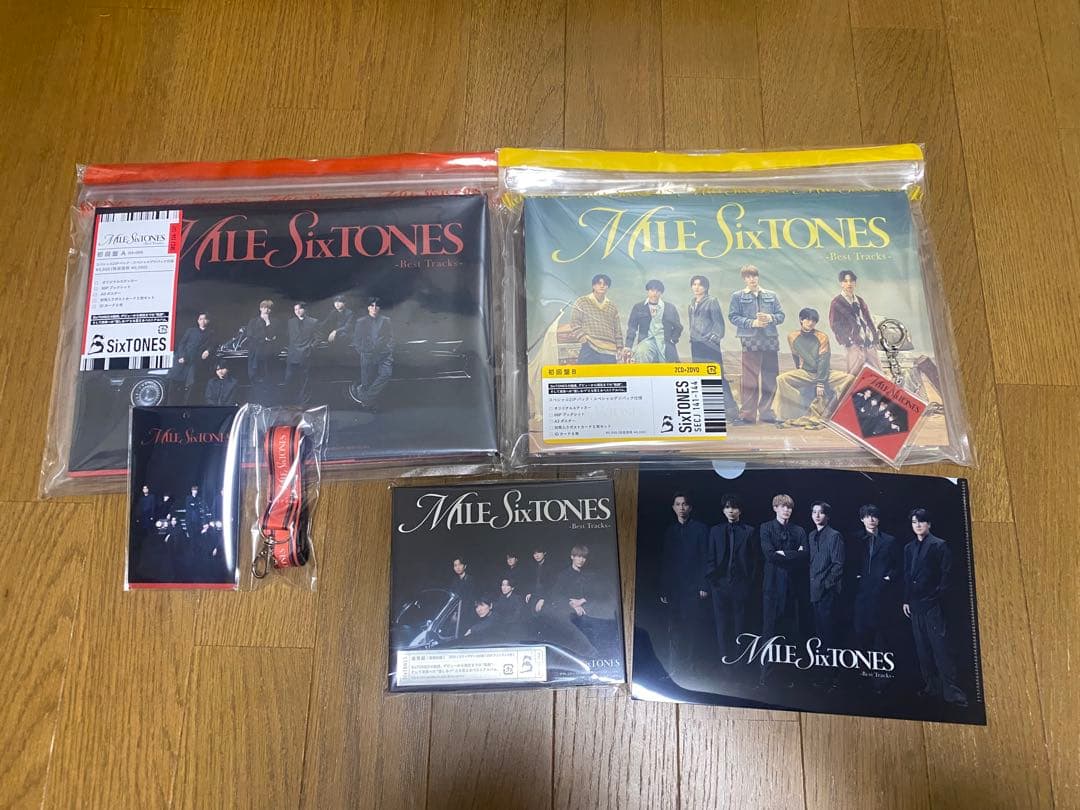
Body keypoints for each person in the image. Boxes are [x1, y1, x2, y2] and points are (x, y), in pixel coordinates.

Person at [903, 508, 968, 707]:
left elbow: (947, 576)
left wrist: (935, 598)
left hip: (933, 605)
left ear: (929, 524)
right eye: (914, 522)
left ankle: (952, 692)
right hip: (915, 605)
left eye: (921, 522)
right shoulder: (909, 548)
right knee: (923, 649)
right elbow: (907, 576)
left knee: (941, 648)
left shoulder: (939, 545)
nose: (917, 525)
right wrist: (906, 600)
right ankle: (932, 687)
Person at [759, 494, 809, 687]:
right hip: (772, 587)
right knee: (769, 631)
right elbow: (770, 555)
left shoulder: (799, 530)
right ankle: (766, 676)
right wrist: (793, 554)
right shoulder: (765, 527)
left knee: (791, 632)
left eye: (789, 507)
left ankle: (789, 676)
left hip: (792, 587)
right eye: (782, 506)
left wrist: (783, 553)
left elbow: (805, 555)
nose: (786, 510)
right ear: (775, 508)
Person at [849, 504, 900, 691]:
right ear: (862, 519)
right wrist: (856, 577)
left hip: (881, 594)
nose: (871, 519)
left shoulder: (890, 540)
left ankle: (880, 680)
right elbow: (849, 562)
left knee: (881, 636)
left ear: (878, 519)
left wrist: (888, 578)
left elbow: (898, 565)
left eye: (874, 516)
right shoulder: (854, 539)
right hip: (861, 594)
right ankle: (863, 676)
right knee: (861, 634)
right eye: (867, 516)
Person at [659, 492, 710, 678]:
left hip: (693, 589)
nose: (681, 507)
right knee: (674, 629)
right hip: (674, 590)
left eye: (685, 504)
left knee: (691, 629)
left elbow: (706, 558)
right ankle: (673, 668)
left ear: (690, 508)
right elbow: (666, 561)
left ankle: (689, 668)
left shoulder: (701, 529)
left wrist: (703, 585)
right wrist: (664, 589)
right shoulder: (670, 531)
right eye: (678, 504)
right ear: (673, 508)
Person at [704, 493, 758, 662]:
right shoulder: (715, 531)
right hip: (719, 585)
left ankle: (739, 660)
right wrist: (713, 581)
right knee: (721, 624)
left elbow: (755, 561)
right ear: (723, 510)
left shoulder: (749, 531)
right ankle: (724, 658)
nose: (731, 511)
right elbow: (710, 557)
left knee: (740, 625)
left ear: (740, 510)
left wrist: (748, 583)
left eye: (734, 507)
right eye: (727, 507)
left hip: (740, 585)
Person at [774, 308, 854, 420]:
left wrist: (820, 383)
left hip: (824, 373)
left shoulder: (822, 337)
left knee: (850, 379)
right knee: (781, 379)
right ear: (801, 320)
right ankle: (789, 414)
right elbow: (795, 356)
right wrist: (799, 370)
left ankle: (835, 411)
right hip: (805, 373)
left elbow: (824, 360)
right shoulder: (792, 336)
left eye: (814, 321)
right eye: (807, 319)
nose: (811, 323)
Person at [728, 265, 784, 423]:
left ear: (758, 277)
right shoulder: (737, 296)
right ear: (744, 279)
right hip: (750, 341)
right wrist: (753, 322)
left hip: (770, 341)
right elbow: (733, 316)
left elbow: (781, 315)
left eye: (754, 276)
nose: (751, 279)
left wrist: (770, 318)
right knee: (749, 379)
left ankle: (766, 413)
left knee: (770, 378)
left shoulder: (771, 295)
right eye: (748, 277)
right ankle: (747, 415)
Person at [808, 501, 845, 689]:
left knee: (829, 634)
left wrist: (826, 585)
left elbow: (838, 564)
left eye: (821, 513)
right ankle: (824, 674)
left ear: (827, 516)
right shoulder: (811, 535)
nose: (817, 515)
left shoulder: (834, 535)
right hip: (814, 591)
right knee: (820, 634)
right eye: (814, 512)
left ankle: (832, 676)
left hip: (828, 592)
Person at [688, 274, 736, 417]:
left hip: (709, 345)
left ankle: (731, 411)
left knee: (717, 376)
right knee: (701, 377)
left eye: (700, 285)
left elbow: (719, 324)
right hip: (696, 345)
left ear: (706, 287)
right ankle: (711, 410)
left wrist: (712, 340)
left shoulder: (711, 301)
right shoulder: (691, 303)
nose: (697, 287)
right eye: (694, 284)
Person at [829, 270, 882, 375]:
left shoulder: (860, 301)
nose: (849, 284)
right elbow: (834, 325)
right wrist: (847, 340)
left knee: (878, 372)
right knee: (854, 374)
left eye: (851, 281)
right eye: (845, 281)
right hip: (854, 343)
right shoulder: (836, 302)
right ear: (841, 283)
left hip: (869, 342)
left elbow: (868, 319)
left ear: (855, 283)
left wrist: (875, 337)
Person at [567, 273, 624, 364]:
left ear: (608, 287)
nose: (602, 286)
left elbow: (618, 329)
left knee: (609, 373)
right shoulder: (582, 301)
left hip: (609, 350)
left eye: (605, 284)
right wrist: (583, 339)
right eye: (599, 283)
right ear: (593, 286)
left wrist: (620, 347)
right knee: (584, 372)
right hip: (589, 346)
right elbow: (574, 322)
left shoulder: (612, 306)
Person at [351, 297, 394, 409]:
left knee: (386, 374)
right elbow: (356, 340)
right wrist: (363, 351)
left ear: (379, 308)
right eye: (372, 305)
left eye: (377, 306)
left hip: (384, 354)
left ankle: (365, 398)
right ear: (368, 307)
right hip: (367, 355)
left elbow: (390, 337)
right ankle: (369, 404)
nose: (374, 308)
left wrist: (389, 348)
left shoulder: (386, 320)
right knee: (367, 381)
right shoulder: (361, 321)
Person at [626, 279, 683, 362]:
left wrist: (673, 340)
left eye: (658, 291)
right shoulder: (638, 307)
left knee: (668, 367)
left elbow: (678, 327)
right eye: (652, 290)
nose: (654, 293)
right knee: (641, 356)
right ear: (648, 291)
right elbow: (632, 328)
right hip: (645, 343)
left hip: (664, 344)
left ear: (661, 293)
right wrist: (628, 345)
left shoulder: (670, 307)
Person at [168, 312, 215, 404]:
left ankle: (186, 405)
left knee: (191, 384)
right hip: (183, 360)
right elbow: (182, 344)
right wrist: (181, 356)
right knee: (175, 383)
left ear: (208, 321)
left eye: (205, 319)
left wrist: (208, 351)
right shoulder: (191, 331)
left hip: (196, 362)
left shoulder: (211, 333)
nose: (202, 321)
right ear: (198, 321)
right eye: (200, 319)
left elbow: (213, 344)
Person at [284, 302, 319, 405]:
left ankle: (304, 405)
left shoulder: (313, 321)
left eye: (299, 309)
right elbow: (288, 337)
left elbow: (318, 337)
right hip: (292, 355)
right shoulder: (290, 322)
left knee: (305, 381)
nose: (297, 311)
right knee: (289, 380)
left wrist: (310, 348)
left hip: (306, 355)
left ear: (305, 309)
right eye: (295, 309)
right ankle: (290, 404)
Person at [245, 299, 280, 386]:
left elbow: (273, 336)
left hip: (268, 354)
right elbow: (250, 336)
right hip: (255, 353)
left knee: (268, 377)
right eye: (264, 307)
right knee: (254, 376)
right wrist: (264, 339)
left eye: (269, 308)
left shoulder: (275, 322)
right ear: (260, 308)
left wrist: (268, 322)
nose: (267, 310)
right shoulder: (253, 321)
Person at [526, 546, 556, 611]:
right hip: (535, 595)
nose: (537, 556)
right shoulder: (533, 566)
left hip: (547, 597)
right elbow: (531, 582)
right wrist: (529, 592)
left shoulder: (551, 566)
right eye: (534, 554)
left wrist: (544, 599)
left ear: (544, 553)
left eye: (539, 553)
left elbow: (553, 586)